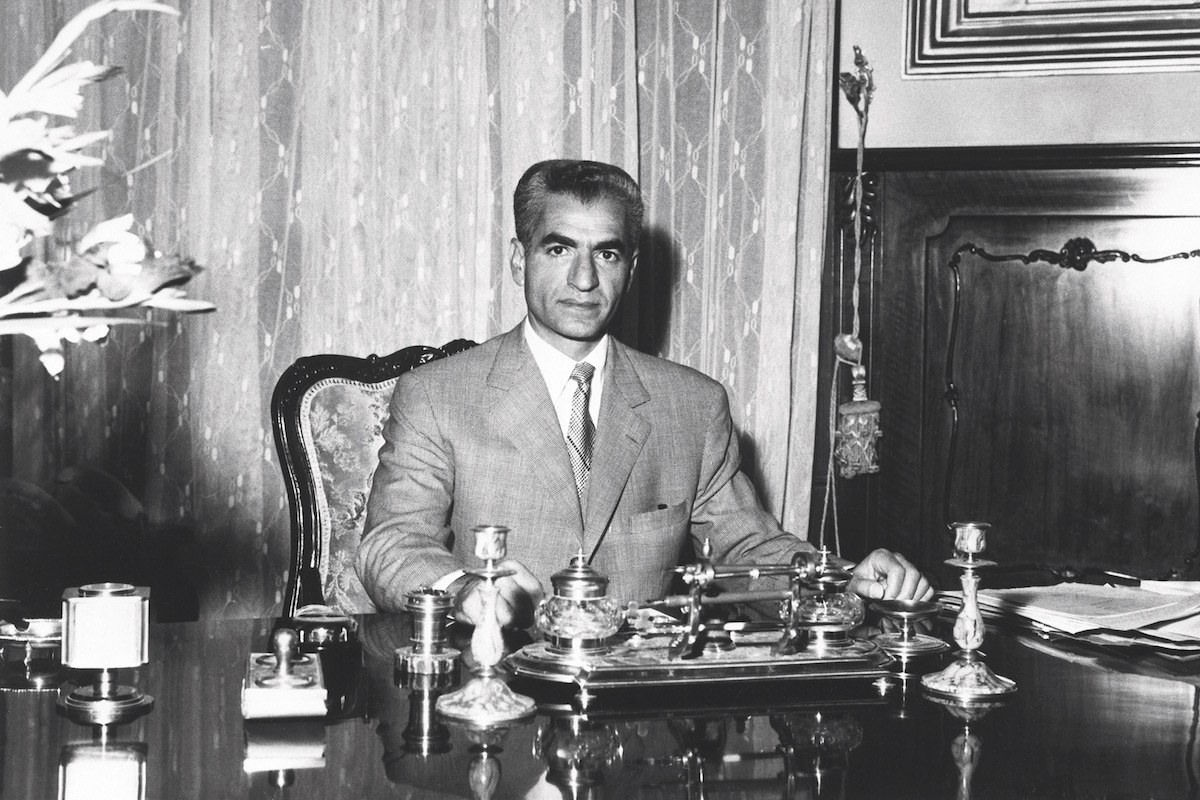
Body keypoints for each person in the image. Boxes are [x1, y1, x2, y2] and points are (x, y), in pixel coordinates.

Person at [358, 159, 932, 627]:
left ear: (630, 268)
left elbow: (746, 552)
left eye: (606, 253)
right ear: (518, 259)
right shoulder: (438, 396)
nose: (584, 280)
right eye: (559, 250)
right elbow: (392, 544)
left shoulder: (693, 406)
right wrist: (464, 590)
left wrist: (836, 578)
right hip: (494, 707)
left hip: (638, 724)